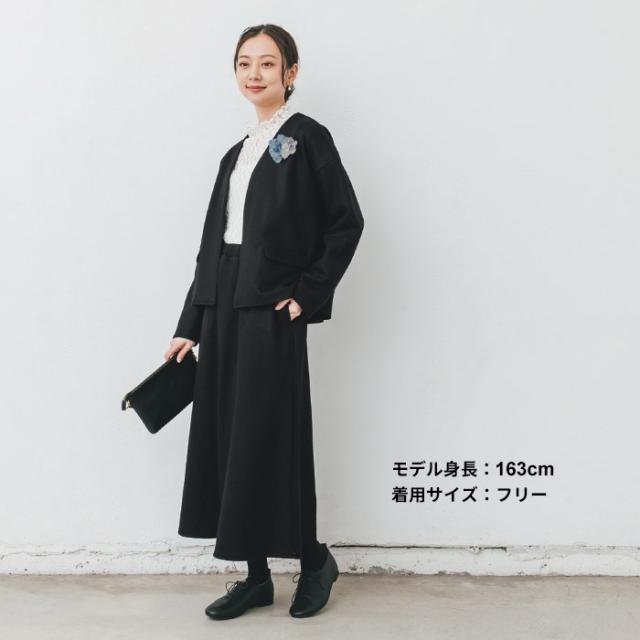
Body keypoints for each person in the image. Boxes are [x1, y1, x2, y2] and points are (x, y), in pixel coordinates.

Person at [163, 23, 364, 620]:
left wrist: (307, 292)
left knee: (272, 435)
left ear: (290, 73)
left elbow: (346, 221)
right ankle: (254, 577)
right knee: (230, 437)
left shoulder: (308, 138)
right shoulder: (236, 152)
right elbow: (211, 246)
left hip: (271, 308)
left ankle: (314, 559)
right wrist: (190, 323)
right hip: (223, 302)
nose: (254, 74)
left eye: (268, 63)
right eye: (244, 63)